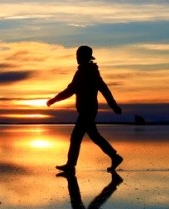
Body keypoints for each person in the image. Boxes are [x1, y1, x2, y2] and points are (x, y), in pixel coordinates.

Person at [46, 45, 123, 173]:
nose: (77, 58)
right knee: (94, 136)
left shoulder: (90, 72)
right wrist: (55, 99)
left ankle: (71, 166)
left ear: (85, 57)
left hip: (88, 110)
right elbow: (71, 89)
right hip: (86, 110)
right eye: (77, 55)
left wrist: (113, 105)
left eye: (79, 55)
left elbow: (104, 89)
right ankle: (115, 157)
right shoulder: (82, 71)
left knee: (76, 137)